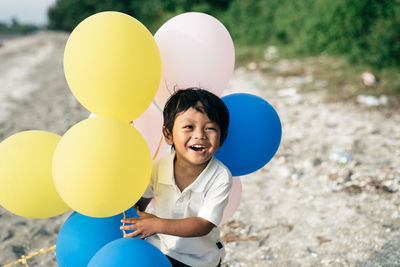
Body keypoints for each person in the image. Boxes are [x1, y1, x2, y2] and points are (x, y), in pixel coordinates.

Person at [120, 88, 232, 267]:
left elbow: (203, 224)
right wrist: (135, 216)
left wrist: (155, 224)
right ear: (168, 135)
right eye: (189, 127)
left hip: (201, 260)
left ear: (222, 138)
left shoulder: (220, 176)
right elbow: (139, 204)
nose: (199, 135)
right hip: (163, 251)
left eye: (210, 128)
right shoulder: (158, 168)